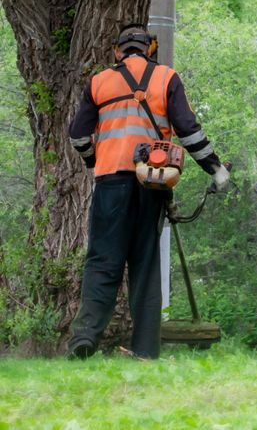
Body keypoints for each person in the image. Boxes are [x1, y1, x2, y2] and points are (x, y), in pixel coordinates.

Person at [67, 24, 229, 359]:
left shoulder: (98, 82)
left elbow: (78, 136)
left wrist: (93, 160)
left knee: (102, 262)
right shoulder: (167, 78)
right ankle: (145, 350)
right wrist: (215, 168)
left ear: (117, 51)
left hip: (110, 182)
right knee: (145, 266)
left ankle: (84, 338)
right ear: (149, 48)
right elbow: (189, 131)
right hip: (151, 185)